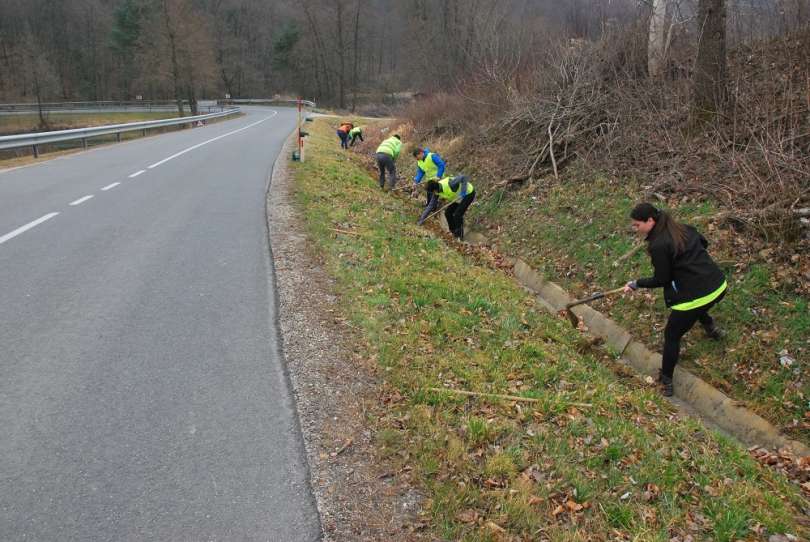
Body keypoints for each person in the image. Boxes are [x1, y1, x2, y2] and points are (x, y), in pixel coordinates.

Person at [622, 203, 727, 397]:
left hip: (698, 293)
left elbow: (662, 279)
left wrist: (636, 283)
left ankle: (666, 381)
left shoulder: (658, 245)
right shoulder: (682, 228)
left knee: (672, 335)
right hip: (718, 285)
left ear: (650, 221)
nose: (635, 229)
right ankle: (711, 328)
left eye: (637, 225)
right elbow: (703, 243)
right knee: (695, 302)